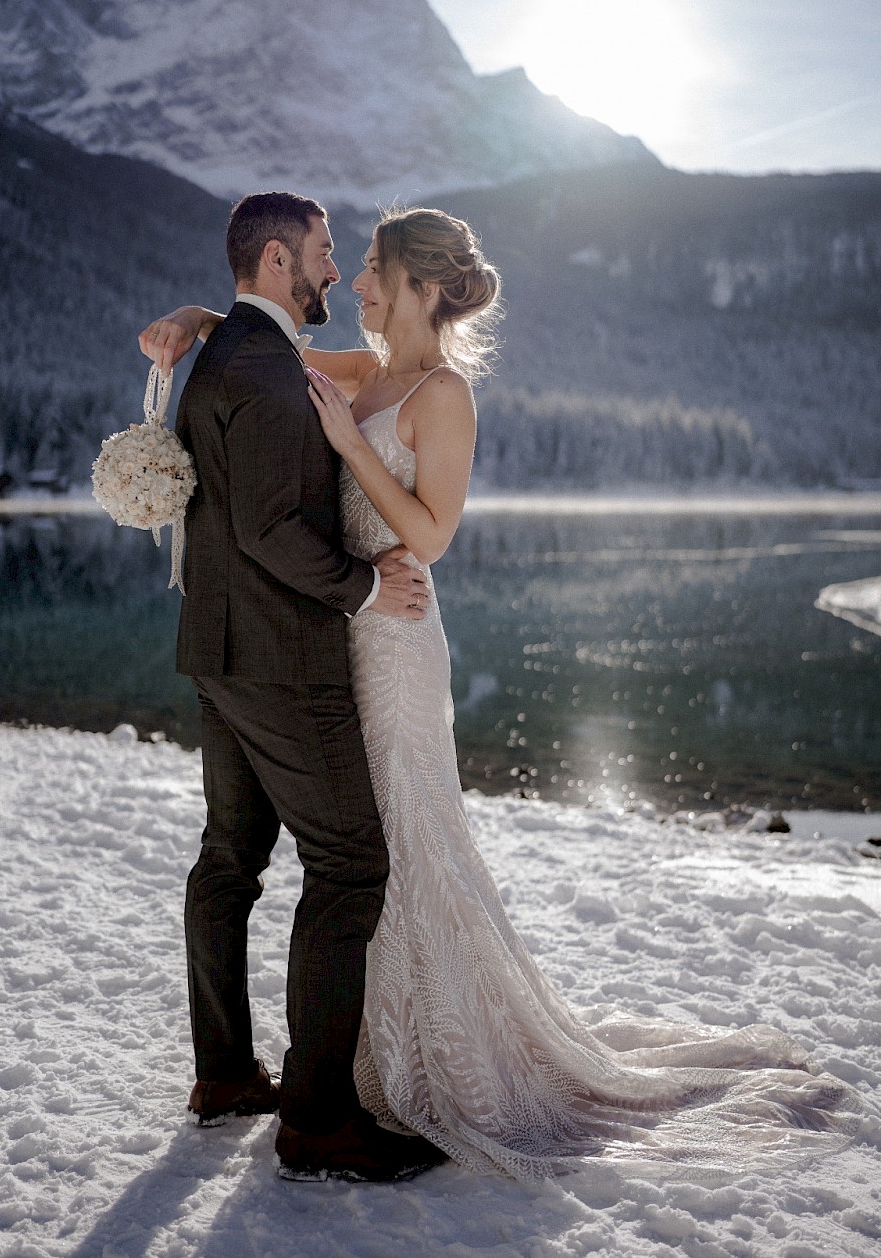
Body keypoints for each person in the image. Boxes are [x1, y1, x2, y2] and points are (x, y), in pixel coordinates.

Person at [144, 205, 851, 1181]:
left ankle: (396, 1056)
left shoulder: (442, 392)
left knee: (396, 840)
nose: (354, 282)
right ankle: (348, 1063)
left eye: (372, 268)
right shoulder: (363, 368)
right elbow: (260, 349)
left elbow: (429, 539)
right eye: (342, 265)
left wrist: (352, 453)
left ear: (422, 285)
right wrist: (195, 317)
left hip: (391, 634)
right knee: (358, 846)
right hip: (338, 631)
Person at [164, 191, 446, 1184]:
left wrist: (199, 313)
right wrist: (368, 585)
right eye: (326, 255)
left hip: (218, 646)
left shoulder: (229, 354)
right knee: (349, 863)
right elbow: (271, 529)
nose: (336, 271)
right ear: (280, 259)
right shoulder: (271, 375)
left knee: (231, 855)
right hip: (284, 658)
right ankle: (317, 1119)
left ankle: (224, 1070)